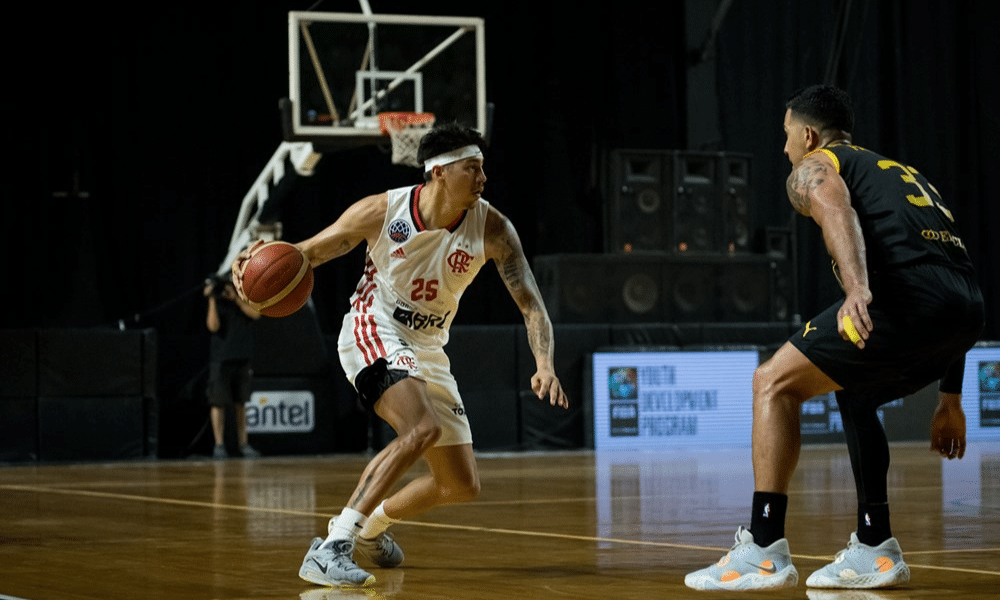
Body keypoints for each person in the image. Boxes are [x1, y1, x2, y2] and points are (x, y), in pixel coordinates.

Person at [234, 122, 569, 587]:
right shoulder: (380, 211)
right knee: (423, 428)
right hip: (375, 327)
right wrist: (256, 262)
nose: (483, 178)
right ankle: (332, 546)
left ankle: (372, 531)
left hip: (430, 346)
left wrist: (545, 364)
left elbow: (532, 305)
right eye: (472, 169)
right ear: (439, 172)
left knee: (460, 484)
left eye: (483, 168)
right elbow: (305, 254)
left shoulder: (493, 228)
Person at [685, 85, 984, 591]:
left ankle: (762, 549)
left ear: (808, 134)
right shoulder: (900, 171)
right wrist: (950, 396)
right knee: (856, 390)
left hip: (907, 302)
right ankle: (876, 547)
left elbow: (833, 210)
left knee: (772, 383)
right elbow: (947, 277)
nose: (784, 148)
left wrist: (857, 287)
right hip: (967, 309)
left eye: (785, 136)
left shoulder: (818, 166)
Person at [204, 274, 262, 459]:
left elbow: (256, 314)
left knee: (241, 403)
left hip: (242, 355)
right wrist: (212, 299)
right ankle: (219, 445)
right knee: (218, 402)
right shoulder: (218, 302)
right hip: (221, 357)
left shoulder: (242, 297)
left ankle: (243, 444)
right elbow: (212, 327)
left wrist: (236, 298)